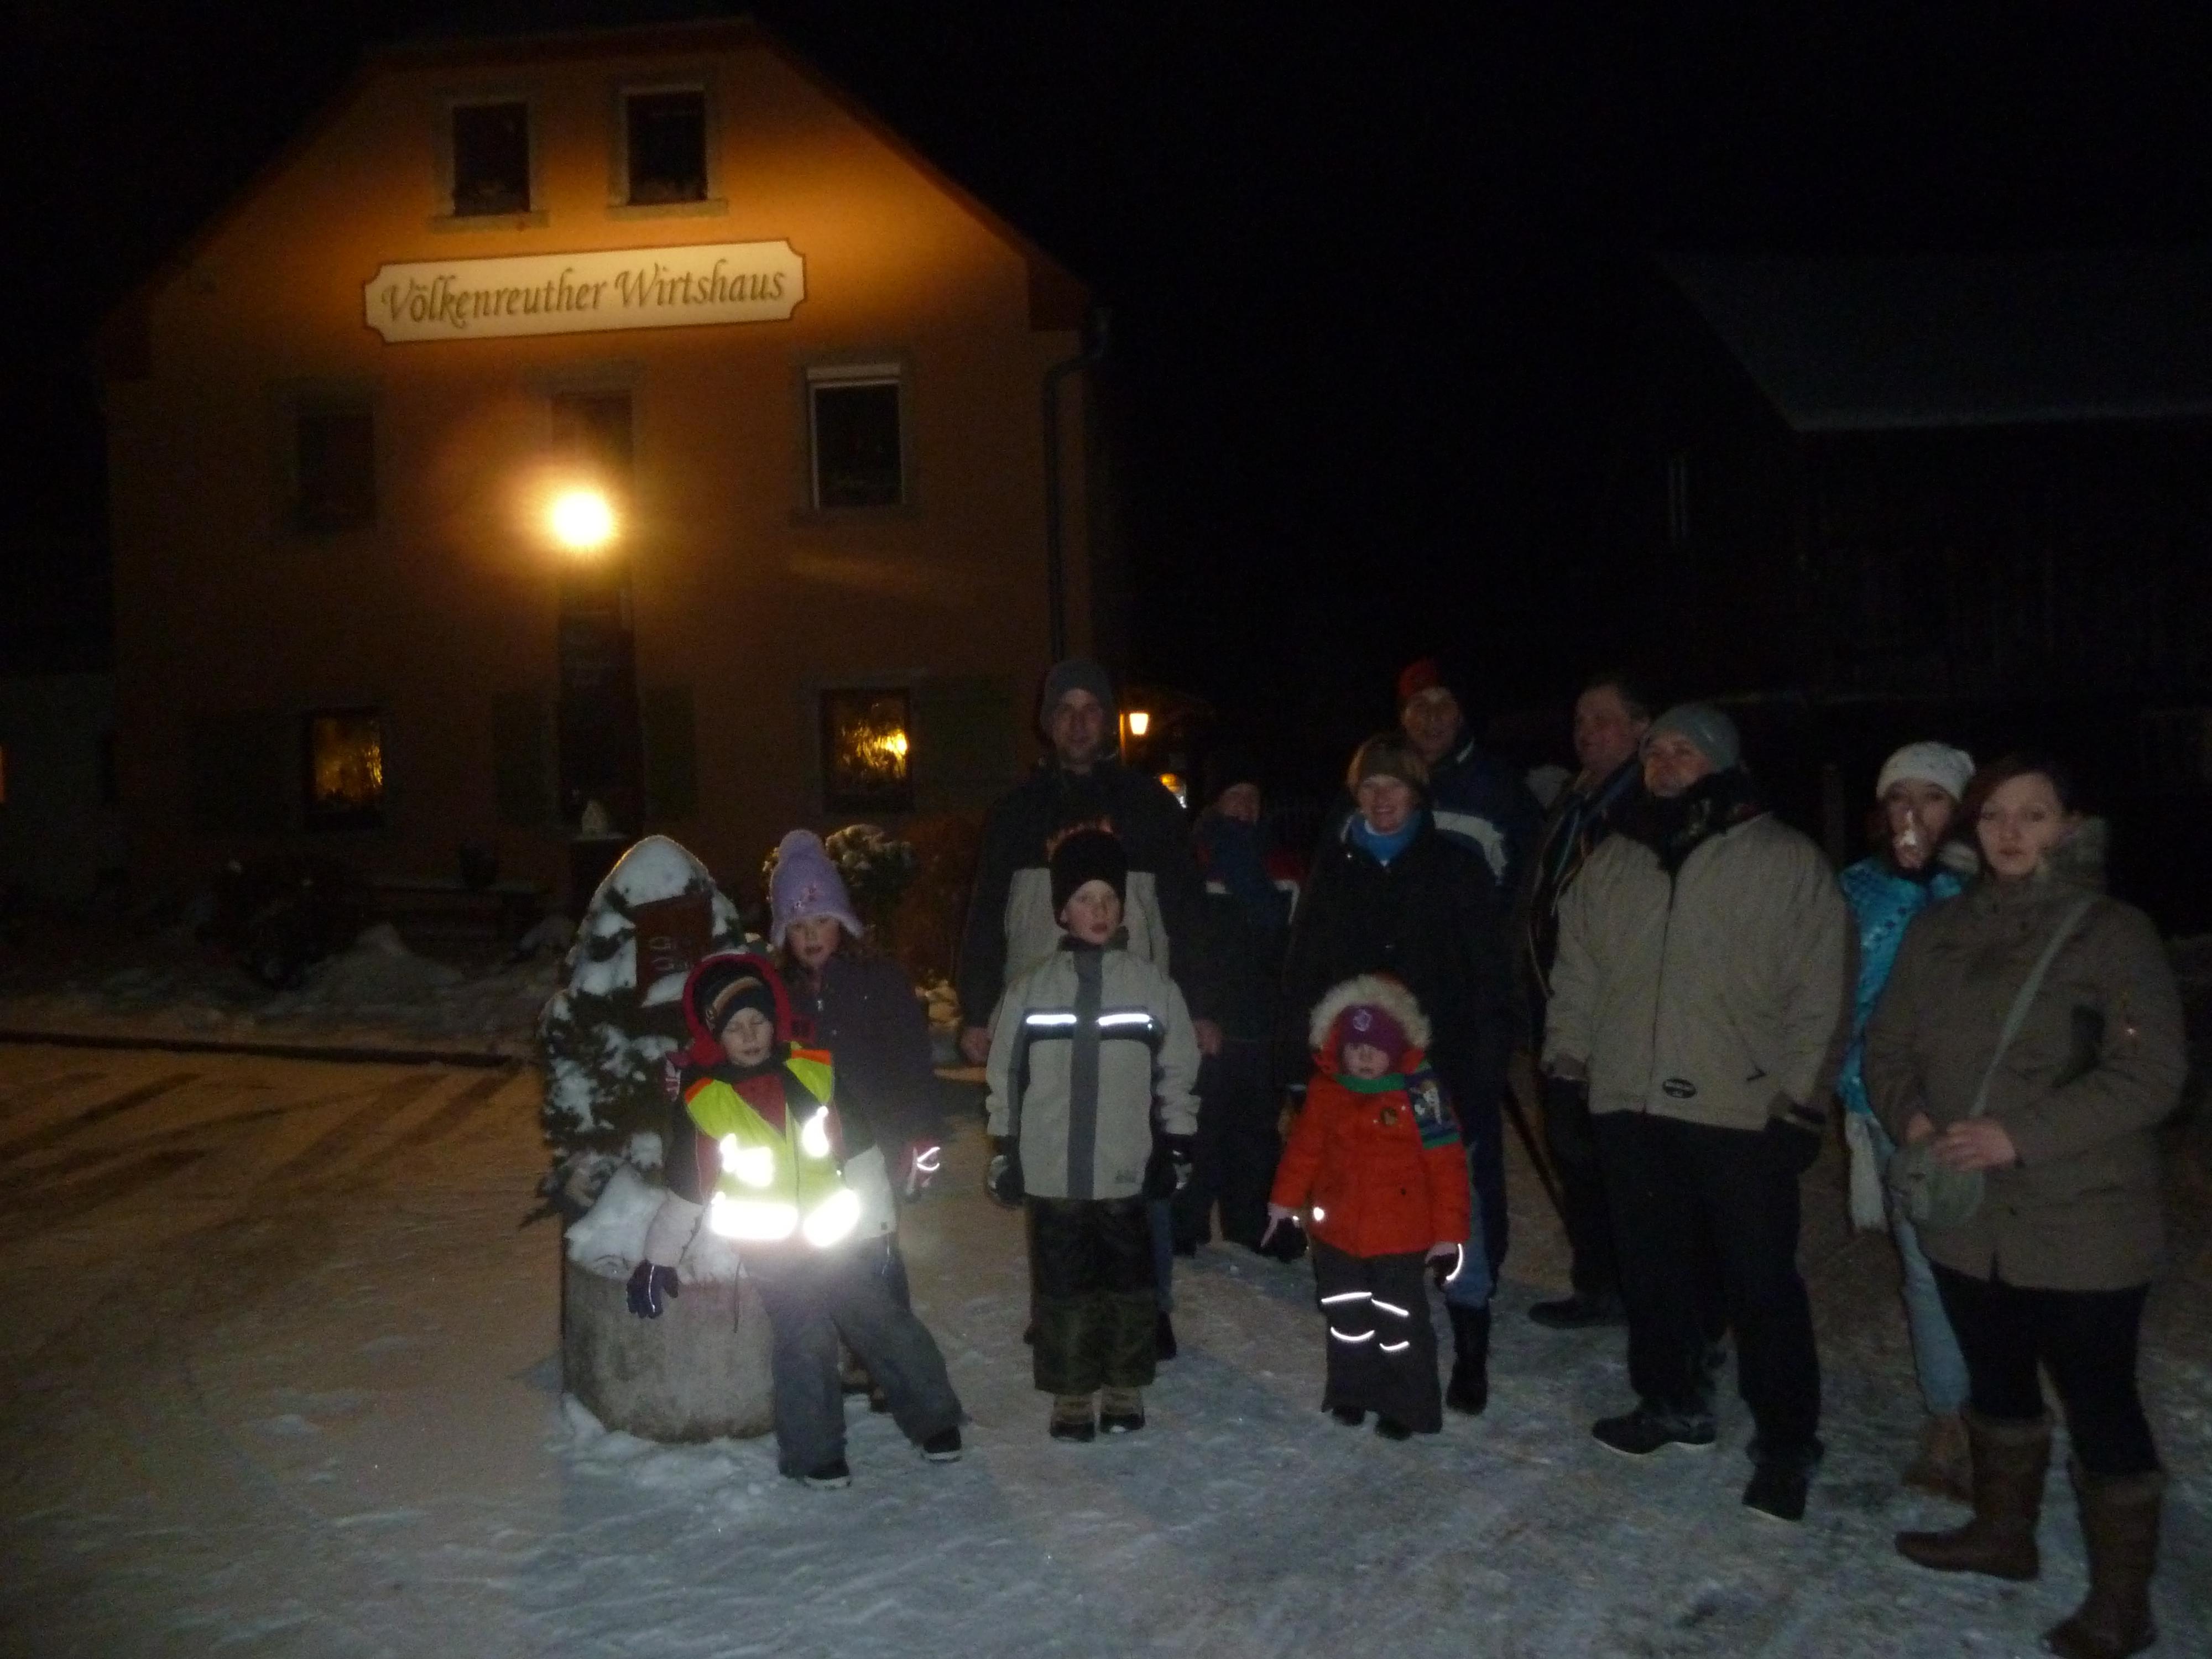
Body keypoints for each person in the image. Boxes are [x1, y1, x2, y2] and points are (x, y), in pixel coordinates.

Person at [1867, 755, 2184, 1659]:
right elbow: (1886, 1044)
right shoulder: (1941, 932)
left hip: (2084, 1217)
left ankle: (2124, 1606)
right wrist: (1913, 1116)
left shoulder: (2115, 934)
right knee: (1997, 1381)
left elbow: (2153, 1073)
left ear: (2070, 826)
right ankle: (2004, 1537)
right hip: (1967, 1217)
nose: (2011, 833)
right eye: (1996, 816)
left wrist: (2021, 1135)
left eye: (2034, 815)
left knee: (2101, 1403)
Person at [1543, 703, 1850, 1523]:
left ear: (1722, 763)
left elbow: (1820, 991)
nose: (1665, 763)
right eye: (1656, 752)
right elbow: (1577, 972)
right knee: (1654, 1271)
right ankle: (1671, 1400)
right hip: (1631, 1103)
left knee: (1761, 1284)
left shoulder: (1784, 861)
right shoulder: (1615, 861)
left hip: (1738, 1107)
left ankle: (1787, 1442)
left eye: (1685, 751)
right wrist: (1570, 1068)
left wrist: (1800, 1100)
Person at [957, 658, 1217, 1357]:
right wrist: (979, 1009)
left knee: (1139, 1154)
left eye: (1090, 708)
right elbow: (985, 916)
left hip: (1133, 1015)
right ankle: (1059, 1306)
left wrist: (1198, 1004)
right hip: (1045, 1021)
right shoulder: (1017, 811)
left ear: (1106, 722)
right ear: (1047, 724)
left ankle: (1149, 1305)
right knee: (1050, 1162)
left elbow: (1187, 911)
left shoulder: (1149, 807)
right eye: (1064, 709)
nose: (1078, 721)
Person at [628, 951, 965, 1488]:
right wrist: (656, 1260)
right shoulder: (705, 1102)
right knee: (805, 1339)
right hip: (773, 1256)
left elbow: (859, 1154)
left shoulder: (814, 1073)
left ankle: (936, 1420)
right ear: (718, 1035)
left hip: (837, 1241)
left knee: (884, 1321)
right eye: (736, 1027)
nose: (750, 1035)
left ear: (773, 1020)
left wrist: (878, 1228)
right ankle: (815, 1454)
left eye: (758, 1020)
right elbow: (687, 1193)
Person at [1281, 733, 1513, 1417]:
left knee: (1456, 1200)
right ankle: (1365, 1354)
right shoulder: (1337, 868)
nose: (1381, 801)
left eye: (1394, 786)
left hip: (1436, 1075)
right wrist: (1297, 1071)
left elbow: (1487, 976)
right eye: (1368, 788)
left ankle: (1470, 1344)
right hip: (1353, 1077)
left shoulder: (1454, 866)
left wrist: (1484, 1065)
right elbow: (1305, 969)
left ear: (1417, 792)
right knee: (1363, 1201)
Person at [983, 830, 1202, 1440]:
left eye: (1110, 897)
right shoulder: (1031, 991)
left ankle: (1124, 1384)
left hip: (1124, 1167)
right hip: (1054, 1170)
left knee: (1128, 1283)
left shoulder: (1151, 988)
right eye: (1085, 898)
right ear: (1061, 910)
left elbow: (1178, 1067)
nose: (1099, 910)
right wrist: (1005, 1148)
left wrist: (1176, 1140)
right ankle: (1072, 1392)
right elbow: (1005, 1073)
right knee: (1063, 1286)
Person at [1832, 743, 1978, 1499]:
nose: (1912, 816)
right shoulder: (1854, 889)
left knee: (1997, 1261)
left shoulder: (1988, 891)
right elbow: (1829, 995)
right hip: (1891, 1103)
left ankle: (2007, 1412)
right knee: (1925, 1264)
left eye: (1932, 798)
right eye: (1899, 799)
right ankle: (1950, 1416)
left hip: (1986, 1106)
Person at [769, 828, 945, 1400]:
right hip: (814, 1153)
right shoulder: (779, 996)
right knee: (825, 1254)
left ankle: (887, 1357)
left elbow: (912, 1062)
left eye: (820, 922)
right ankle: (846, 1350)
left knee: (878, 1251)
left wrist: (921, 1135)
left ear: (841, 922)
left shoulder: (881, 981)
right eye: (797, 928)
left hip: (879, 1140)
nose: (811, 936)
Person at [1265, 975, 1470, 1438]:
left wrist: (1449, 1235)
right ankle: (1352, 1392)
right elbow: (1304, 1152)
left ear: (1397, 1047)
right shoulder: (1328, 1091)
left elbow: (1448, 1168)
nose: (1364, 1056)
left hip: (1401, 1237)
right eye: (1355, 1045)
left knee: (1400, 1323)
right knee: (1347, 1318)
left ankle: (1405, 1404)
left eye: (1376, 1046)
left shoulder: (1424, 1094)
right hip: (1337, 1235)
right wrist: (1283, 1204)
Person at [1514, 672, 1652, 1329]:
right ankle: (1598, 1283)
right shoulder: (1576, 797)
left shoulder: (1648, 803)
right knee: (1572, 1148)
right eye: (1580, 722)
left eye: (1603, 720)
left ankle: (1638, 1288)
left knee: (1617, 1161)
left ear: (1640, 728)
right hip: (1558, 1006)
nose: (1587, 733)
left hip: (1616, 1015)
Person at [1175, 750, 1294, 1253]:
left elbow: (1295, 945)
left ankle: (1254, 1224)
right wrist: (1197, 1010)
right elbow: (1183, 943)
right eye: (1234, 797)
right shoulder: (1193, 862)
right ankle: (1186, 1222)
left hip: (1263, 1020)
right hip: (1210, 1023)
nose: (1243, 807)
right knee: (1199, 1126)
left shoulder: (1282, 865)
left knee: (1257, 1131)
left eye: (1252, 798)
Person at [1391, 656, 1542, 893]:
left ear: (1461, 716)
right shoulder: (1376, 786)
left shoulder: (1501, 790)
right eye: (1420, 705)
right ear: (1403, 717)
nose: (1433, 716)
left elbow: (1529, 883)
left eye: (1445, 703)